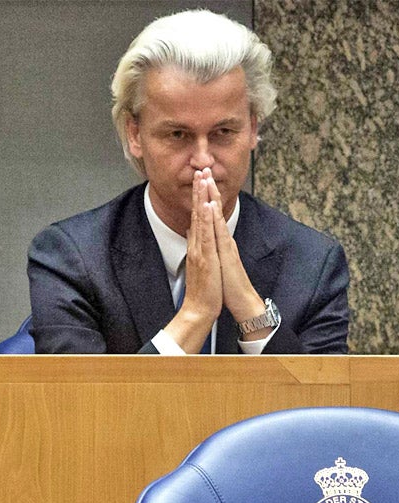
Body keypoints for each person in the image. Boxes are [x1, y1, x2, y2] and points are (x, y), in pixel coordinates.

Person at [27, 10, 349, 354]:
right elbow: (83, 406)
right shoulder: (72, 257)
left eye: (223, 133)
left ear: (253, 129)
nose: (202, 160)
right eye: (178, 134)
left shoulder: (314, 263)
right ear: (135, 133)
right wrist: (195, 314)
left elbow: (321, 406)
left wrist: (250, 309)